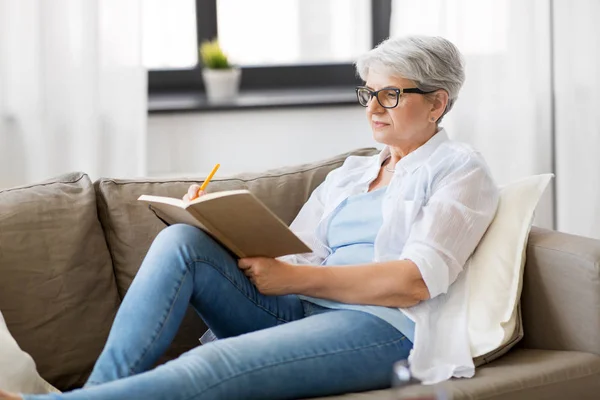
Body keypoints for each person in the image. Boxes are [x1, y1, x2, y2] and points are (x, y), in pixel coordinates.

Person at [2, 35, 499, 400]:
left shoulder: (459, 170)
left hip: (384, 326)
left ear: (437, 103)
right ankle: (97, 394)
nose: (373, 108)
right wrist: (212, 222)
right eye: (367, 93)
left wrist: (292, 278)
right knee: (182, 243)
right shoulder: (351, 174)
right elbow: (290, 255)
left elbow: (412, 283)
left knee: (209, 363)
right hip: (302, 306)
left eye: (390, 95)